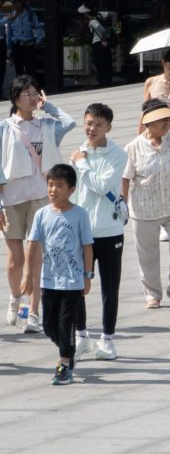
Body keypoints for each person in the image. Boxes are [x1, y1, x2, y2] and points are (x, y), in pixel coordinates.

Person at [1, 77, 76, 330]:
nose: (32, 97)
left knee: (36, 257)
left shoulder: (47, 125)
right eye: (27, 93)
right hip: (12, 199)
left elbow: (70, 122)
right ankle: (15, 298)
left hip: (42, 198)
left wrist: (49, 106)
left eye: (35, 93)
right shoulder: (5, 128)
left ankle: (32, 312)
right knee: (15, 259)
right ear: (15, 98)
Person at [68, 104, 127, 360]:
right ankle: (81, 336)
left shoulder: (118, 154)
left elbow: (102, 186)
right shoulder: (78, 153)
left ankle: (108, 339)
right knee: (77, 285)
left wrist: (81, 165)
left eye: (98, 124)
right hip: (81, 231)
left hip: (110, 231)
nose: (92, 129)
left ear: (109, 127)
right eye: (89, 123)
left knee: (109, 287)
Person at [124, 101, 170, 309]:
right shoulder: (133, 147)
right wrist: (122, 203)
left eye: (168, 119)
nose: (167, 124)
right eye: (162, 120)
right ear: (148, 123)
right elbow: (125, 178)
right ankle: (152, 294)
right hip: (144, 207)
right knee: (147, 254)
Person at [26, 164, 92, 386]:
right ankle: (69, 348)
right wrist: (28, 276)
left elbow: (87, 247)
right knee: (48, 326)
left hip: (72, 282)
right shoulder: (41, 214)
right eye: (51, 185)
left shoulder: (79, 214)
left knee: (65, 325)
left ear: (71, 189)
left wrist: (87, 275)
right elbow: (33, 246)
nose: (53, 190)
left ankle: (64, 365)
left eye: (59, 186)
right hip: (49, 280)